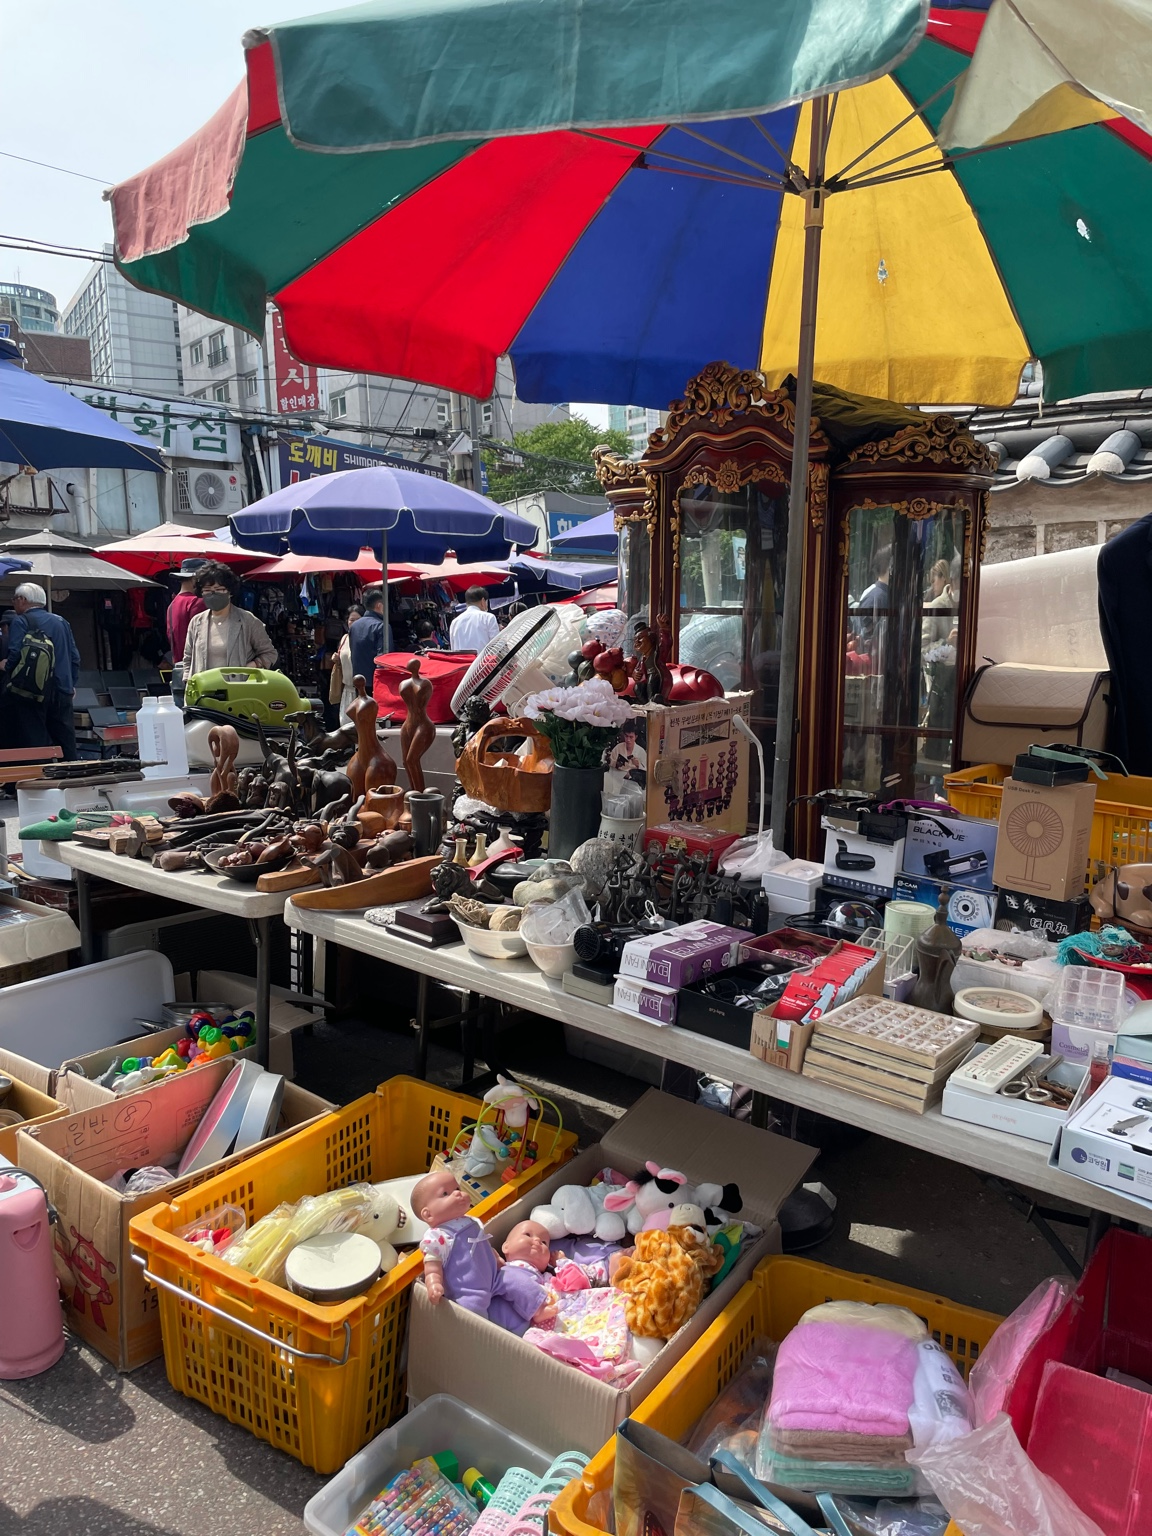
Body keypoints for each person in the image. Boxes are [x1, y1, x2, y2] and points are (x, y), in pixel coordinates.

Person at [3, 583, 81, 758]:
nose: (14, 603)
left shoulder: (21, 621)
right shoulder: (62, 621)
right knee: (65, 738)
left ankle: (41, 779)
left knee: (34, 738)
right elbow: (75, 657)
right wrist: (71, 683)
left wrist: (5, 666)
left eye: (14, 599)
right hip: (62, 690)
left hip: (31, 691)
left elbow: (15, 654)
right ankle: (72, 778)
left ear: (23, 600)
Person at [182, 562, 277, 676]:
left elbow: (270, 653)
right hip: (204, 689)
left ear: (229, 592)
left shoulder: (247, 620)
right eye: (207, 590)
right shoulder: (196, 622)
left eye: (218, 589)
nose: (213, 593)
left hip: (238, 688)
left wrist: (251, 666)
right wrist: (188, 681)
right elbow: (188, 658)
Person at [348, 588, 392, 686]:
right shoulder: (382, 626)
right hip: (376, 682)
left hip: (358, 681)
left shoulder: (354, 626)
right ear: (379, 606)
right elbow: (383, 659)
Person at [166, 557, 206, 663]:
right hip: (197, 664)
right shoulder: (197, 602)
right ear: (195, 579)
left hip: (179, 665)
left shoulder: (172, 605)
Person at [328, 603, 363, 721]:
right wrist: (337, 660)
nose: (355, 623)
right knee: (345, 726)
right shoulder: (344, 638)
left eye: (358, 620)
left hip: (362, 691)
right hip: (348, 690)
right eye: (352, 620)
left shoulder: (366, 639)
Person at [449, 585, 499, 652]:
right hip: (482, 661)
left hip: (461, 661)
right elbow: (496, 646)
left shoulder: (455, 622)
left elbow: (453, 648)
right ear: (483, 601)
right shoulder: (488, 618)